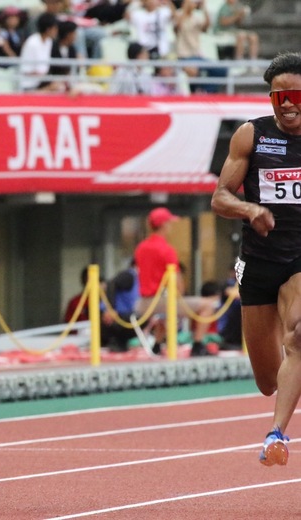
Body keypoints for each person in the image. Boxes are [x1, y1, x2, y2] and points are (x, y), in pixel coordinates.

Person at [210, 52, 301, 467]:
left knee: (299, 334)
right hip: (259, 261)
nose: (286, 103)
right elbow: (220, 197)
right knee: (267, 379)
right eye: (278, 95)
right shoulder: (251, 135)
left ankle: (276, 435)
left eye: (294, 94)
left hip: (298, 258)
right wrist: (249, 210)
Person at [133, 206, 217, 356]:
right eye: (169, 223)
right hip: (160, 302)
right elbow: (177, 282)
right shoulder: (166, 249)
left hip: (142, 302)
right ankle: (198, 345)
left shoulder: (140, 248)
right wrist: (181, 297)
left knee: (167, 310)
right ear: (164, 225)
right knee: (207, 305)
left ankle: (157, 346)